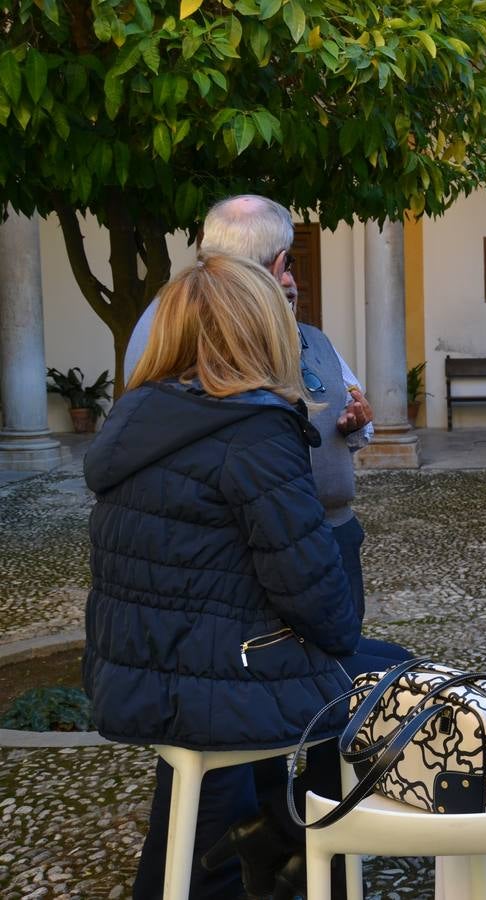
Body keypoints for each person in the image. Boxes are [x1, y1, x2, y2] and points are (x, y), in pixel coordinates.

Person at [84, 255, 363, 899]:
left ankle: (279, 842)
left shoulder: (140, 418)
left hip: (136, 671)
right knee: (381, 681)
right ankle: (315, 860)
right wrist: (335, 634)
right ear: (261, 331)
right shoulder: (255, 432)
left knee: (348, 680)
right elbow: (318, 596)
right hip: (211, 680)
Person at [126, 195, 377, 621]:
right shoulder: (204, 331)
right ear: (279, 263)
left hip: (301, 533)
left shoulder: (171, 322)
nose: (291, 283)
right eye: (288, 267)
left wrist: (351, 426)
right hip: (260, 544)